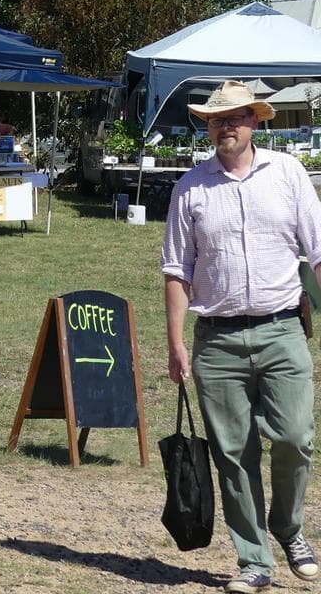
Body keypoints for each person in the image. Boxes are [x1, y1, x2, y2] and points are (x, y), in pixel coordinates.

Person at [162, 80, 321, 594]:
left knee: (296, 438)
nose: (224, 126)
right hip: (218, 340)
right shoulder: (191, 187)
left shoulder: (289, 174)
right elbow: (176, 270)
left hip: (281, 330)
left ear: (255, 120)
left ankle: (290, 529)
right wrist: (177, 342)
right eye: (215, 119)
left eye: (234, 117)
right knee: (234, 453)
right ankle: (255, 559)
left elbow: (317, 251)